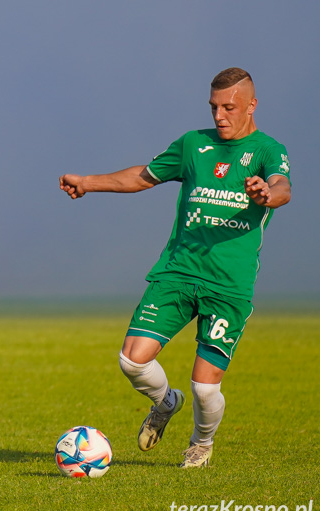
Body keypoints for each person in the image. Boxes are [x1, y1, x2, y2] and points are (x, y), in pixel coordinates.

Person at [59, 67, 291, 468]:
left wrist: (268, 193)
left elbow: (282, 187)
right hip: (177, 272)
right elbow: (143, 177)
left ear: (251, 105)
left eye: (229, 107)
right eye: (214, 107)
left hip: (228, 285)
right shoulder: (192, 145)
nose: (219, 116)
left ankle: (201, 442)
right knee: (132, 360)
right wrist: (88, 181)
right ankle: (165, 402)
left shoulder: (268, 149)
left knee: (204, 388)